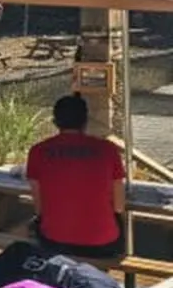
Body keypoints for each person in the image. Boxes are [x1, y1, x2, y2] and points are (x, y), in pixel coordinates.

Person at [26, 93, 125, 258]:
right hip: (103, 244)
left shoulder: (38, 151)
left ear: (55, 121)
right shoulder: (108, 150)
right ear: (85, 120)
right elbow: (119, 206)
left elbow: (39, 208)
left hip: (54, 241)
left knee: (29, 228)